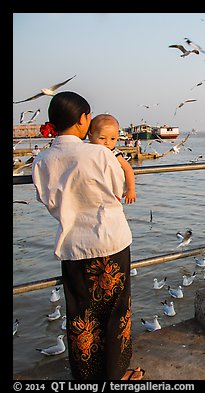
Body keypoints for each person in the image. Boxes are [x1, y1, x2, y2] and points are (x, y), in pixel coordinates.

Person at [31, 91, 144, 380]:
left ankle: (87, 377)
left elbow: (47, 199)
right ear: (83, 119)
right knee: (117, 312)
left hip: (72, 245)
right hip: (110, 239)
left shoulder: (42, 160)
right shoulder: (100, 154)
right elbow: (118, 190)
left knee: (82, 315)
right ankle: (116, 375)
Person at [88, 114, 137, 204]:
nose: (107, 142)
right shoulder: (87, 150)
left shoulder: (114, 153)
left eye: (113, 139)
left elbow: (128, 170)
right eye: (102, 138)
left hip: (109, 192)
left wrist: (131, 189)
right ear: (90, 136)